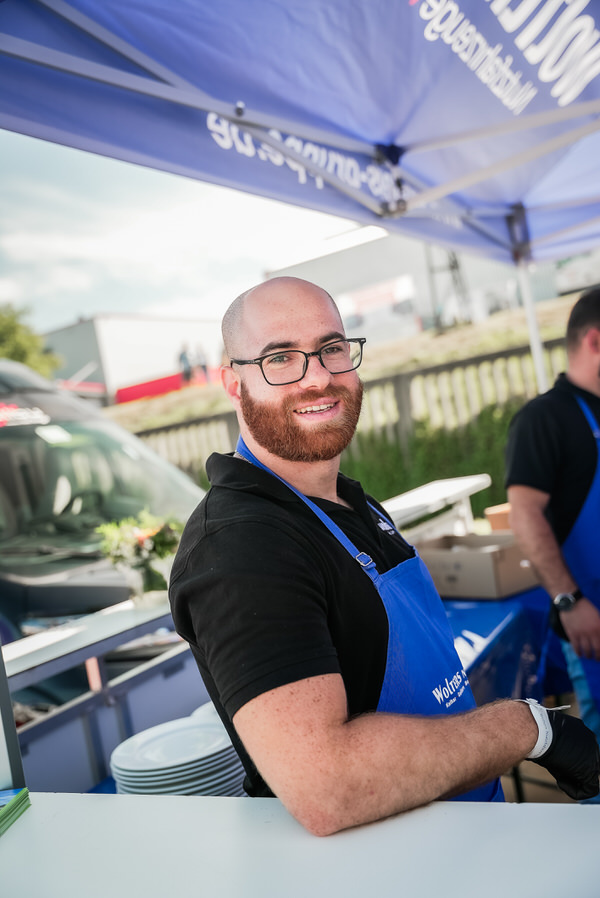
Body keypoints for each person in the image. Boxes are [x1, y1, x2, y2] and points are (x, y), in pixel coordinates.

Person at [169, 276, 599, 835]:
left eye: (332, 348)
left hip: (466, 832)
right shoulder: (240, 545)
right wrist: (529, 728)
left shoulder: (352, 502)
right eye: (280, 358)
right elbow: (327, 786)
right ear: (233, 382)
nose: (318, 376)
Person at [505, 287, 600, 799]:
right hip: (592, 618)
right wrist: (569, 600)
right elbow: (524, 514)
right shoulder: (546, 419)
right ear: (596, 341)